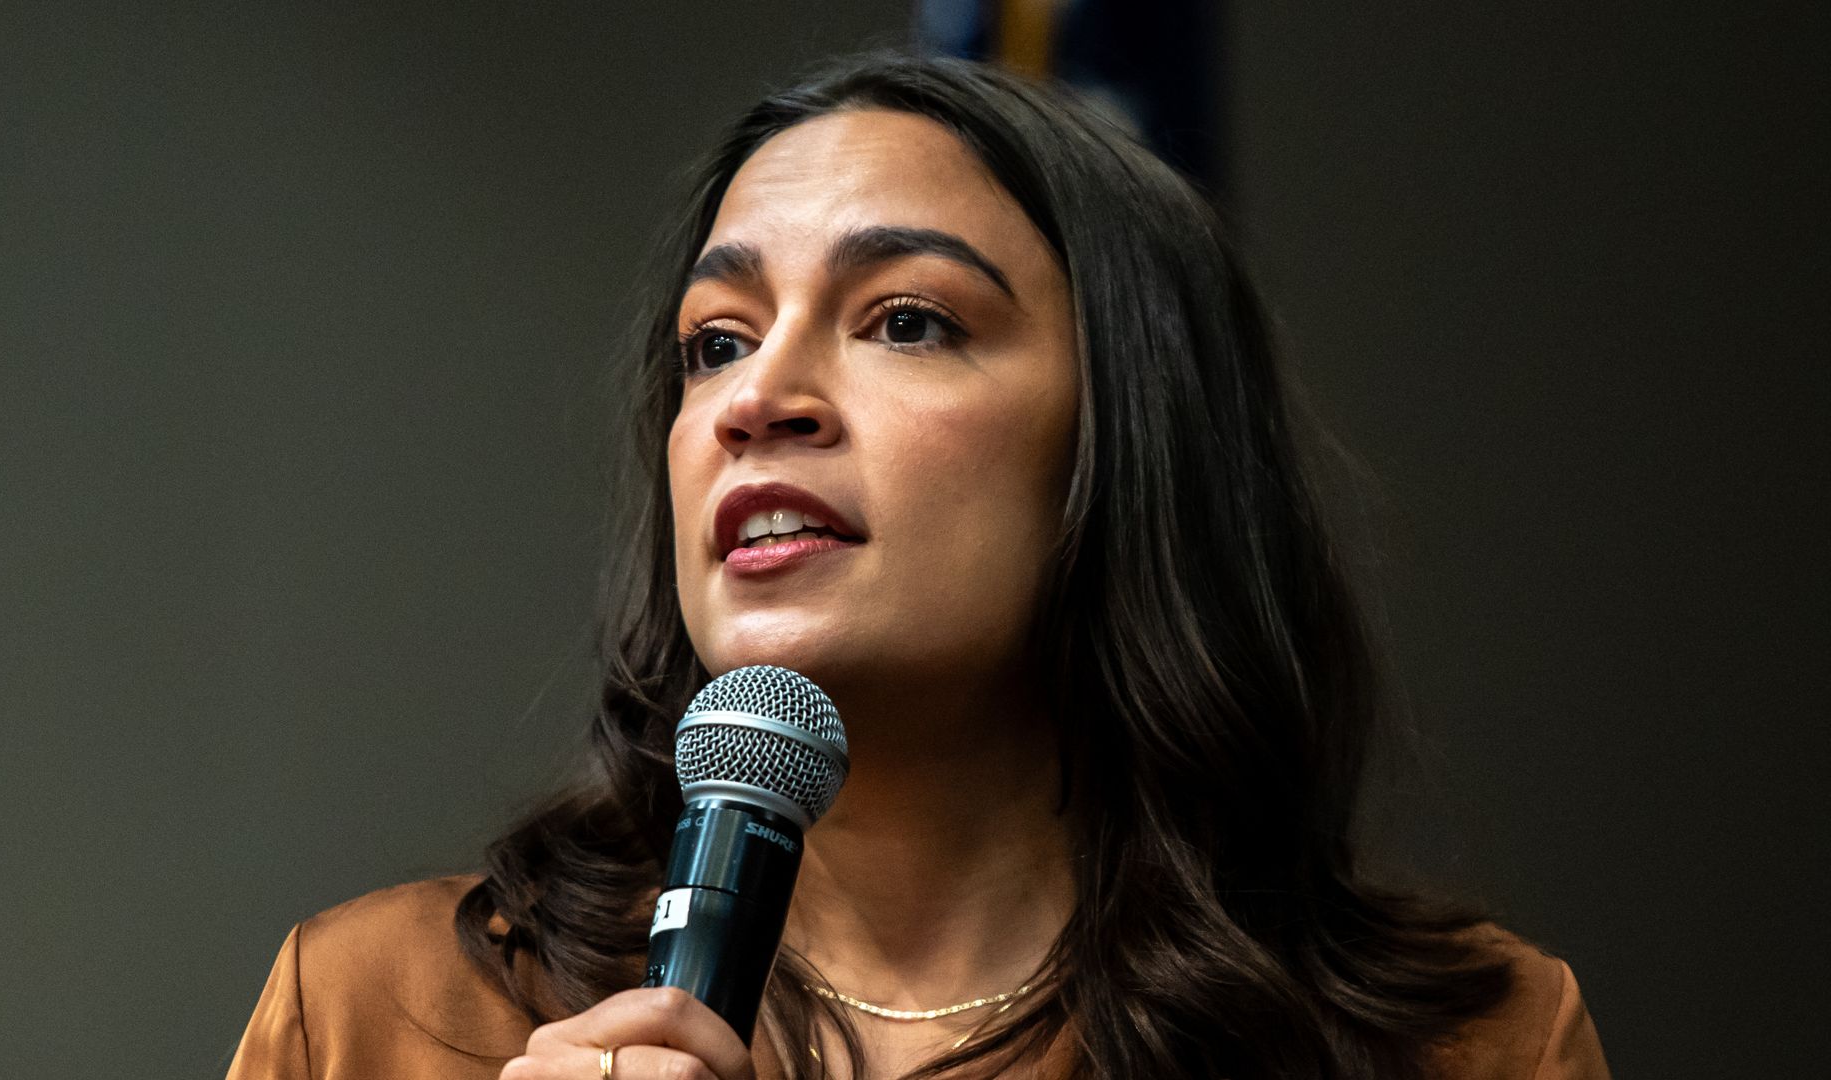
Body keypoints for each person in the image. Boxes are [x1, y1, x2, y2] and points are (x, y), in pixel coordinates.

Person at [227, 53, 1610, 1080]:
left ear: (1122, 438)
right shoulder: (380, 1016)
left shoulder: (1468, 1043)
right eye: (715, 340)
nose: (758, 398)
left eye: (903, 321)